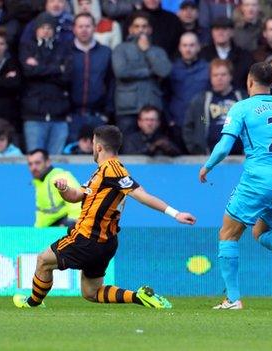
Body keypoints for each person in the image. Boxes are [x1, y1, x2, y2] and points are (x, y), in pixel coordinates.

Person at [14, 125, 196, 309]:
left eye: (93, 143)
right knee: (91, 293)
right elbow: (76, 196)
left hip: (87, 237)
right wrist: (64, 189)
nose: (92, 147)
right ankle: (139, 297)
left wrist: (175, 213)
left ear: (99, 147)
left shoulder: (113, 169)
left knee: (43, 260)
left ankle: (32, 304)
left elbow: (142, 195)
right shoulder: (101, 172)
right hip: (105, 242)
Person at [199, 62, 272, 309]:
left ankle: (233, 299)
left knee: (228, 233)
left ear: (249, 80)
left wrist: (207, 167)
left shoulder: (242, 108)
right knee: (262, 231)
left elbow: (224, 146)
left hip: (257, 179)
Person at [20, 12, 72, 155]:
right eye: (42, 27)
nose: (46, 31)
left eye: (49, 28)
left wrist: (39, 69)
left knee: (56, 164)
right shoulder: (27, 47)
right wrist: (56, 69)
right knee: (36, 161)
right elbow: (28, 72)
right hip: (34, 114)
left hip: (58, 114)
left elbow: (67, 75)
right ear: (36, 29)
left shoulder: (63, 48)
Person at [112, 11, 171, 136]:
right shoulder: (120, 49)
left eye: (144, 26)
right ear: (130, 29)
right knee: (127, 147)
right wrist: (149, 71)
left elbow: (164, 71)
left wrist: (148, 51)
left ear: (150, 29)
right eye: (137, 26)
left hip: (152, 107)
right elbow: (121, 72)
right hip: (128, 109)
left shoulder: (157, 51)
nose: (141, 30)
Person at [69, 13, 114, 143]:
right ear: (74, 29)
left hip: (98, 115)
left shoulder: (106, 52)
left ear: (94, 28)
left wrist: (107, 113)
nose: (84, 30)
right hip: (73, 116)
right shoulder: (66, 51)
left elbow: (111, 83)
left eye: (88, 26)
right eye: (80, 26)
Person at [184, 58, 245, 155]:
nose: (219, 78)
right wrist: (196, 150)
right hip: (208, 157)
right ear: (210, 77)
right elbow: (191, 125)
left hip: (240, 158)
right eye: (215, 75)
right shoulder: (201, 101)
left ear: (230, 76)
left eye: (223, 74)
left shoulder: (243, 98)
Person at [165, 31, 209, 150]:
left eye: (191, 45)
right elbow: (165, 95)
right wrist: (170, 120)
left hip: (201, 120)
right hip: (178, 121)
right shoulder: (171, 69)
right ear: (179, 47)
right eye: (185, 45)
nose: (188, 49)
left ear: (198, 47)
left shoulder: (208, 68)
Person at [26, 149, 81, 228]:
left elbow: (77, 202)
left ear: (48, 162)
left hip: (65, 227)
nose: (33, 167)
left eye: (37, 163)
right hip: (50, 230)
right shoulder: (39, 182)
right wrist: (36, 232)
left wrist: (71, 226)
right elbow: (42, 213)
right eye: (30, 164)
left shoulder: (59, 176)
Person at [200, 16, 253, 90]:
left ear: (232, 32)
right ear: (212, 33)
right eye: (217, 29)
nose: (220, 32)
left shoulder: (244, 55)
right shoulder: (202, 54)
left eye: (224, 29)